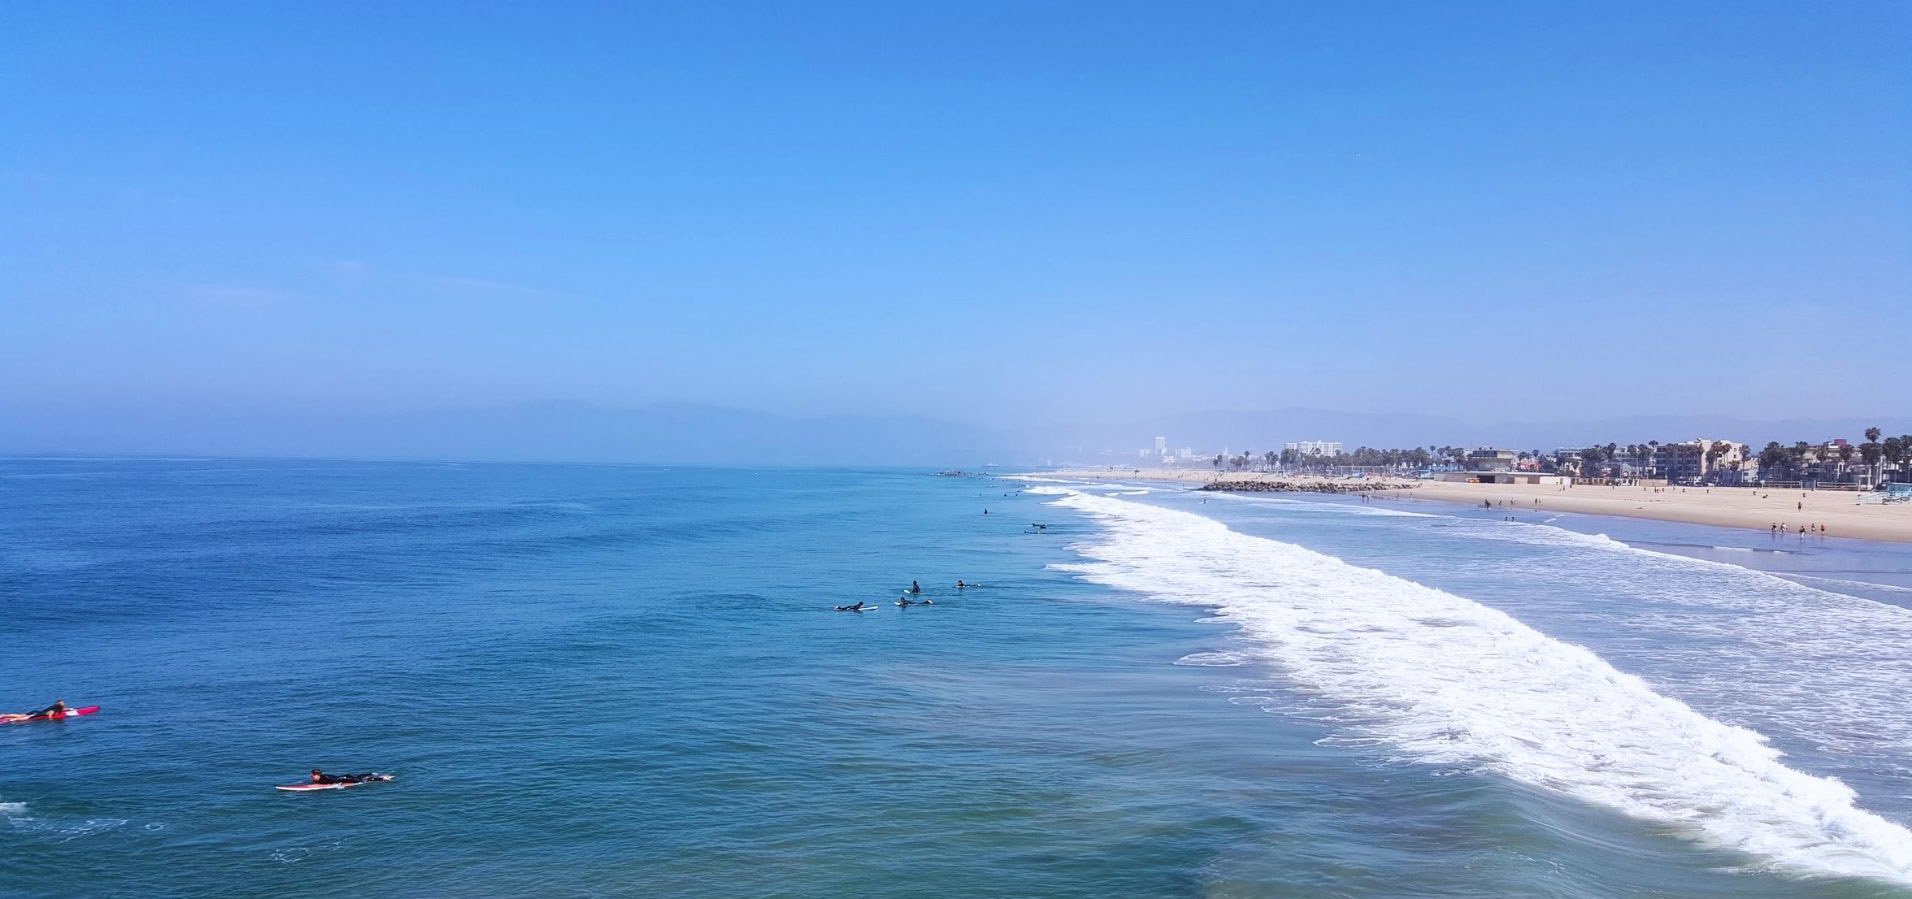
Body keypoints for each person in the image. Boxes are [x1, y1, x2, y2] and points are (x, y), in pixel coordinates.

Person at [1, 699, 67, 723]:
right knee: (26, 718)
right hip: (37, 713)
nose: (64, 704)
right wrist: (51, 720)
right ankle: (11, 720)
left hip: (36, 711)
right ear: (60, 705)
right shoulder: (54, 709)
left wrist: (71, 709)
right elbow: (50, 714)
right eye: (63, 704)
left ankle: (4, 715)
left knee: (22, 715)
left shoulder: (56, 707)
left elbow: (63, 709)